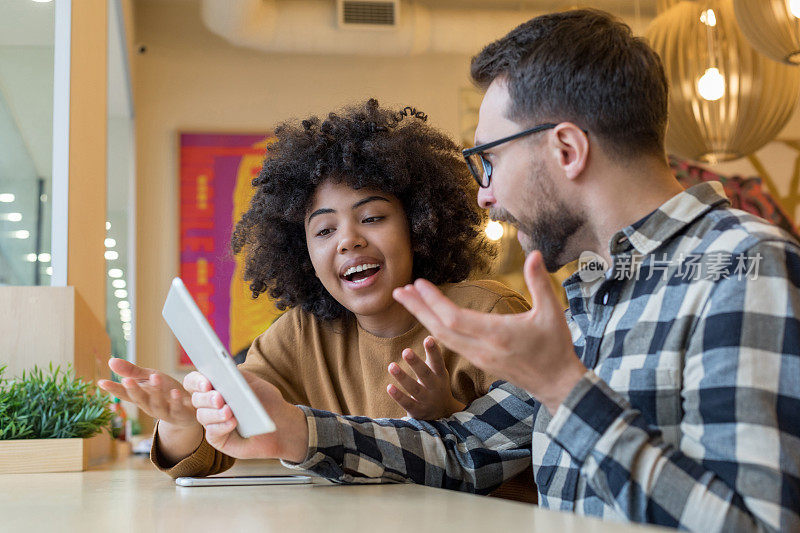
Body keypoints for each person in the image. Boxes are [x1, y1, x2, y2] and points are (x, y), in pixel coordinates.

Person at [181, 9, 800, 532]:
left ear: (565, 149)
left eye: (490, 159)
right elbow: (464, 449)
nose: (483, 194)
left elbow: (752, 523)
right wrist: (294, 431)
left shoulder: (742, 268)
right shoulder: (595, 292)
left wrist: (565, 390)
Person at [98, 99, 534, 500]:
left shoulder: (488, 314)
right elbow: (220, 448)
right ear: (300, 251)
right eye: (324, 230)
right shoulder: (300, 333)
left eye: (373, 217)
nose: (348, 239)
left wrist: (448, 413)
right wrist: (184, 421)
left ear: (419, 225)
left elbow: (529, 456)